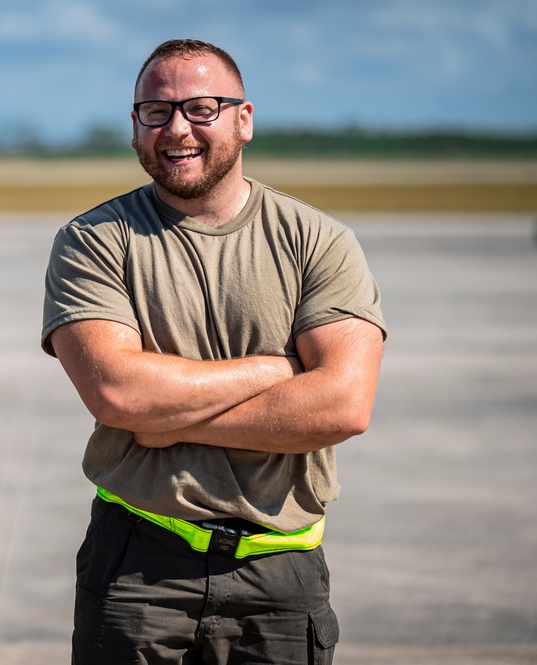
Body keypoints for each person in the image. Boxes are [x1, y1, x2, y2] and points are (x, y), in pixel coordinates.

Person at [41, 39, 386, 665]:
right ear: (135, 127)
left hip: (280, 573)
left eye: (202, 108)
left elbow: (343, 406)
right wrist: (272, 372)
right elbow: (118, 394)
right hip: (139, 567)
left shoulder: (320, 242)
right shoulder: (93, 242)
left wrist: (161, 419)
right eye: (156, 111)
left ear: (244, 119)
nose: (177, 129)